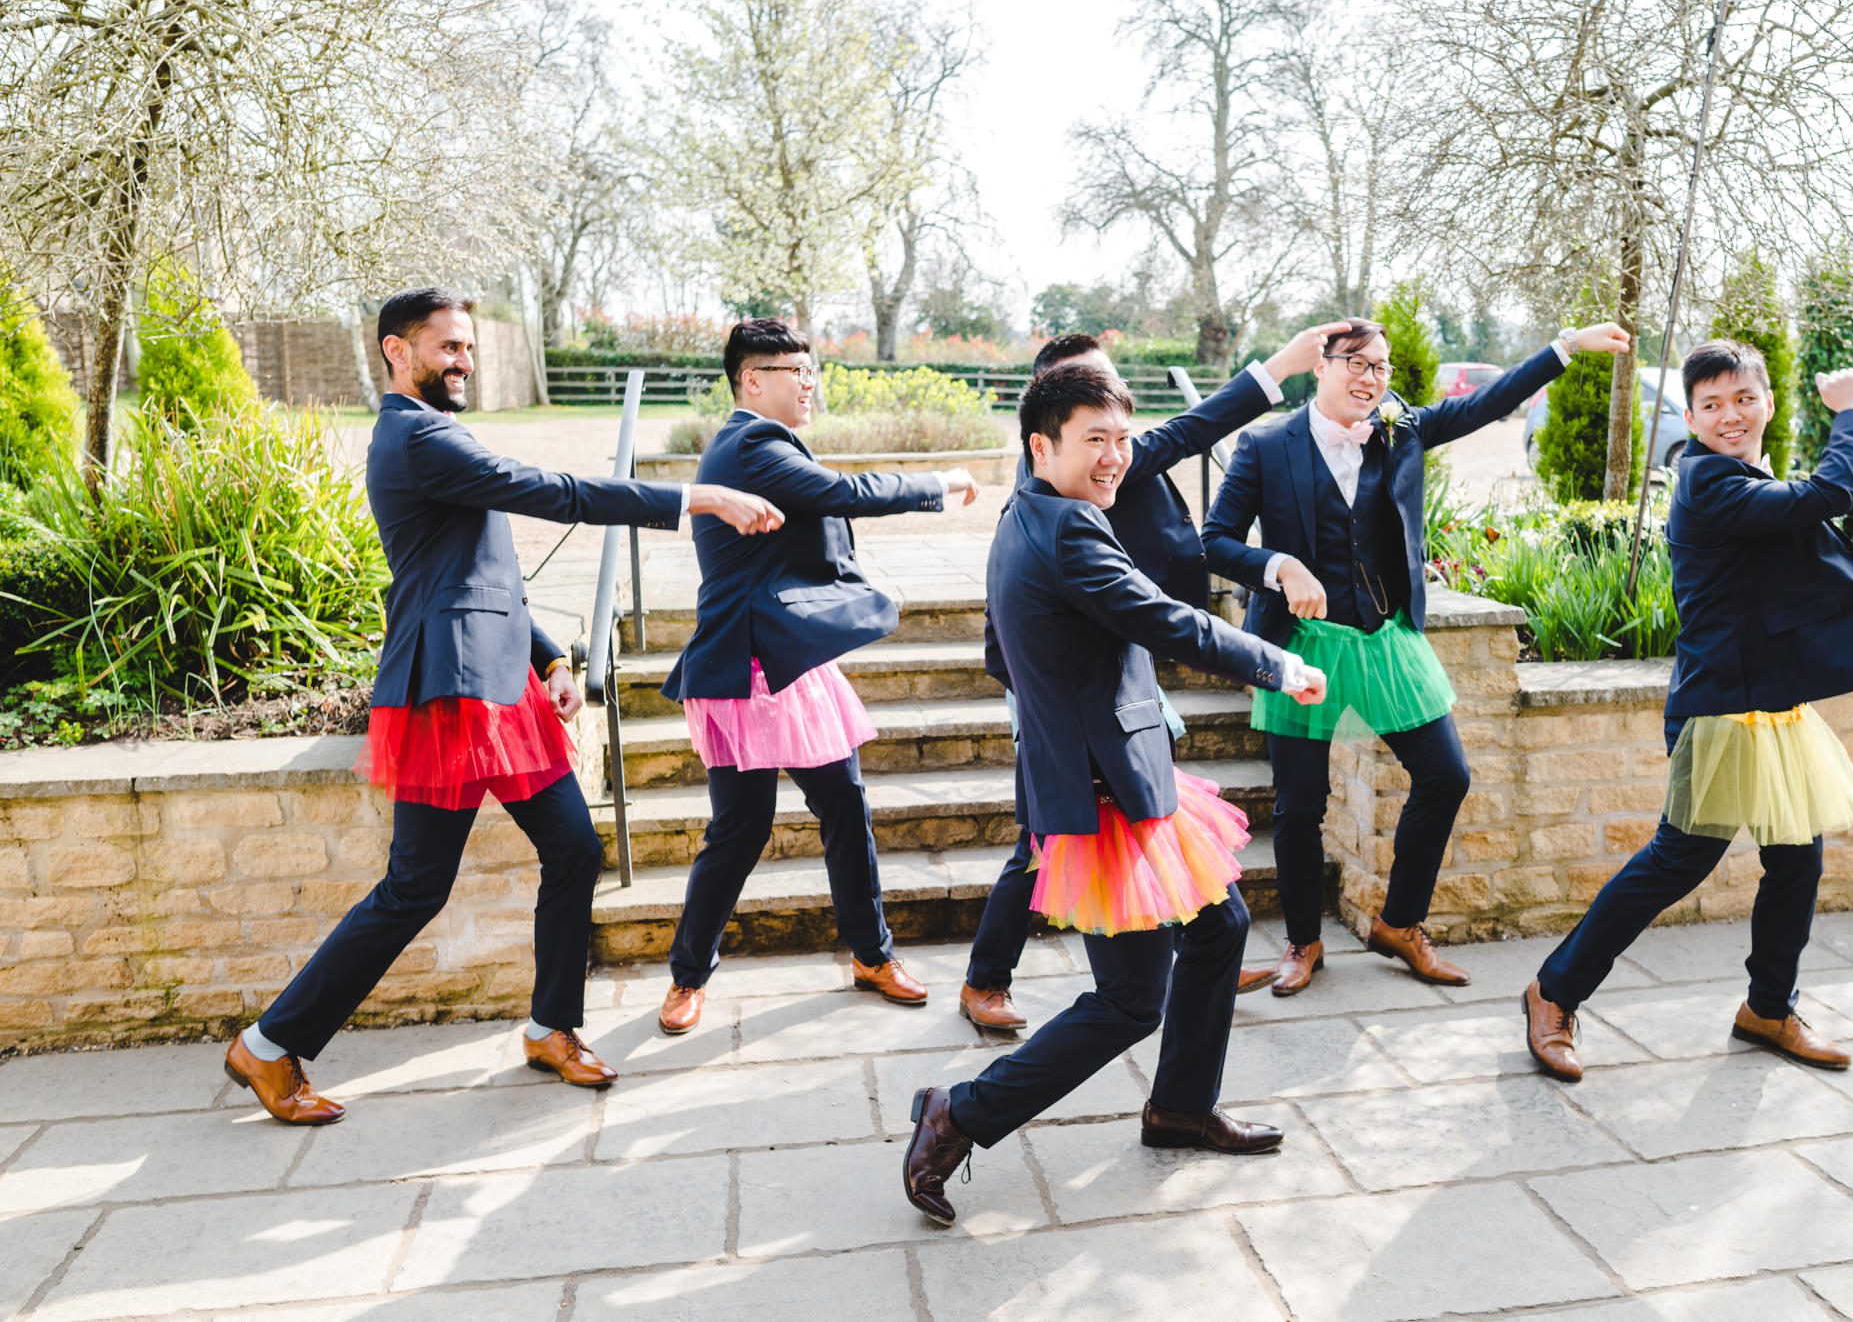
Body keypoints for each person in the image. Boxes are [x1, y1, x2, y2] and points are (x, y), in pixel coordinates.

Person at [224, 286, 783, 1125]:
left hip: (501, 685)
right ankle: (268, 1045)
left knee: (574, 847)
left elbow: (482, 575)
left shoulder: (438, 433)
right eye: (447, 346)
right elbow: (550, 489)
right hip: (447, 693)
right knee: (415, 889)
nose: (463, 361)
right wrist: (695, 497)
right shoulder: (412, 437)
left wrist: (550, 654)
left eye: (470, 348)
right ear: (396, 352)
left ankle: (551, 1025)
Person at [901, 363, 1327, 1227]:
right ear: (1042, 444)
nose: (1114, 457)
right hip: (1105, 789)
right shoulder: (1069, 530)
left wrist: (1066, 694)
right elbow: (1166, 618)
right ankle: (958, 1114)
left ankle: (1178, 1106)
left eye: (1122, 438)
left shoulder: (1025, 515)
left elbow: (1000, 649)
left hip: (1108, 762)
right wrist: (1276, 662)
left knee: (1221, 926)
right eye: (1094, 439)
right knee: (1132, 999)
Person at [1203, 317, 1631, 995]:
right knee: (1299, 803)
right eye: (1356, 362)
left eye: (1381, 366)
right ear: (1322, 365)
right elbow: (1215, 539)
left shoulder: (1402, 431)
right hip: (1300, 645)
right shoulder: (1265, 447)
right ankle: (1303, 942)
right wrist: (1278, 565)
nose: (1370, 377)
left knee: (1445, 774)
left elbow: (1486, 404)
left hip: (1383, 641)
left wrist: (1565, 348)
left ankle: (1400, 922)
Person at [958, 321, 1349, 1034]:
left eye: (1120, 418)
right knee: (1053, 843)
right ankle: (994, 980)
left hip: (1114, 663)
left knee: (1129, 842)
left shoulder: (1079, 471)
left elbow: (1181, 437)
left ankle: (1184, 962)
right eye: (1093, 409)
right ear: (1047, 424)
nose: (1116, 441)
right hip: (1073, 681)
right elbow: (1166, 611)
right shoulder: (1056, 495)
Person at [1525, 347, 1853, 1082]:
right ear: (1689, 419)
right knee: (1676, 861)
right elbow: (1827, 494)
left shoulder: (1746, 474)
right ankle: (1553, 991)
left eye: (1744, 398)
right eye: (1714, 405)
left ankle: (1768, 1006)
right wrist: (1852, 413)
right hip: (1720, 710)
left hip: (1773, 708)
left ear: (1767, 404)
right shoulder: (1707, 481)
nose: (1731, 414)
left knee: (1797, 861)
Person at [653, 319, 978, 1036]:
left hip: (791, 663)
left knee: (844, 805)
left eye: (812, 367)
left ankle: (871, 955)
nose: (809, 381)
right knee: (741, 827)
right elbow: (845, 492)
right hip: (742, 664)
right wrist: (939, 482)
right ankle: (687, 976)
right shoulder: (751, 445)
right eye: (792, 369)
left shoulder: (760, 443)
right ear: (750, 380)